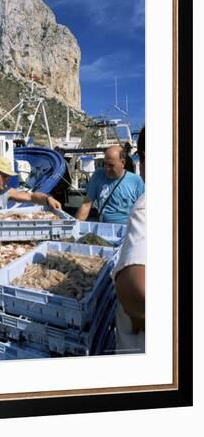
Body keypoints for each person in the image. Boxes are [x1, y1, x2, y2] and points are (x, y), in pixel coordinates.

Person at [112, 127, 145, 353]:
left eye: (110, 163)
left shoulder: (145, 201)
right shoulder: (97, 179)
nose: (105, 167)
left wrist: (137, 322)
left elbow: (136, 289)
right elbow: (86, 203)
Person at [75, 145, 144, 225]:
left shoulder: (136, 181)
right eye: (105, 164)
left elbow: (143, 212)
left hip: (126, 230)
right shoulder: (98, 175)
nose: (107, 168)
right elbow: (86, 204)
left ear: (122, 163)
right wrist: (76, 227)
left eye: (111, 165)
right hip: (103, 228)